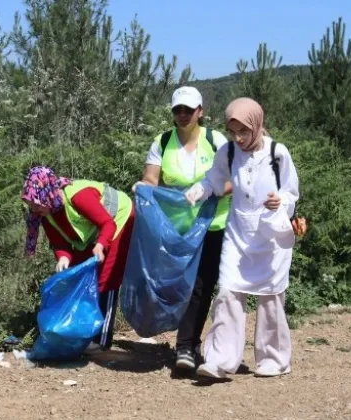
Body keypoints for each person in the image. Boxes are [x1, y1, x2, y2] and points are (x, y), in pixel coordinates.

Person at [183, 97, 301, 379]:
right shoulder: (228, 152)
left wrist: (280, 202)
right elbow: (214, 179)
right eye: (232, 131)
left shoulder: (277, 152)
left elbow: (291, 192)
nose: (238, 138)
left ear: (256, 125)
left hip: (269, 236)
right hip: (238, 234)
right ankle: (220, 359)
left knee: (271, 298)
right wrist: (200, 191)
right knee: (227, 293)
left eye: (243, 132)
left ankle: (273, 359)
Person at [133, 86, 232, 371]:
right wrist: (143, 187)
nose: (183, 115)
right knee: (179, 285)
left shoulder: (215, 141)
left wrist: (209, 192)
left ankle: (186, 347)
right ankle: (192, 341)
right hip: (178, 228)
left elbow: (234, 179)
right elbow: (152, 179)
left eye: (189, 110)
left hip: (214, 225)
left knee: (203, 285)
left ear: (201, 111)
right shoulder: (163, 142)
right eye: (178, 110)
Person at [22, 166, 135, 352]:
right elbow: (60, 244)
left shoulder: (78, 196)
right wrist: (63, 258)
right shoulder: (46, 213)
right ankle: (82, 332)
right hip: (96, 232)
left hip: (119, 220)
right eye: (31, 204)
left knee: (106, 279)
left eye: (35, 203)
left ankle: (101, 340)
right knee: (78, 275)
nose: (33, 209)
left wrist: (101, 244)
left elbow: (108, 223)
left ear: (47, 193)